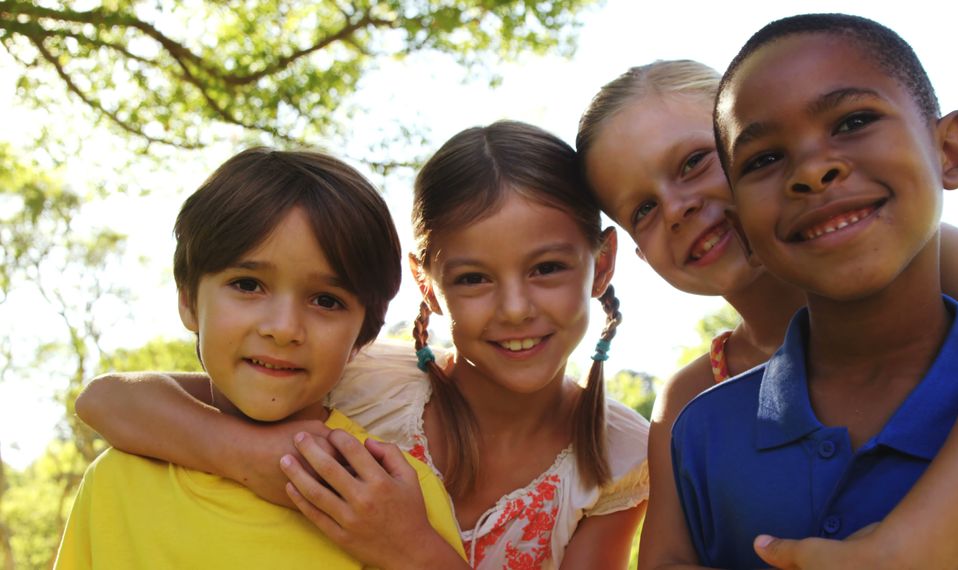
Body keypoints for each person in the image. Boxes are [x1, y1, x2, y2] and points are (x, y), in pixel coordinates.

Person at [577, 56, 958, 568]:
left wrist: (914, 547)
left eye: (693, 163)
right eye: (642, 209)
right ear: (640, 254)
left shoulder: (929, 260)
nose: (676, 207)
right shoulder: (693, 398)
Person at [75, 122, 648, 569]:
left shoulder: (621, 457)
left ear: (601, 266)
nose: (516, 308)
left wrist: (412, 550)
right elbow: (109, 401)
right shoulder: (362, 377)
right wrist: (259, 459)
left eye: (546, 268)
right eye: (474, 278)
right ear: (428, 284)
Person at [55, 147, 466, 569]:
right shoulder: (116, 483)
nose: (284, 328)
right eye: (248, 285)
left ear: (363, 334)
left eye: (326, 300)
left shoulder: (394, 495)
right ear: (188, 300)